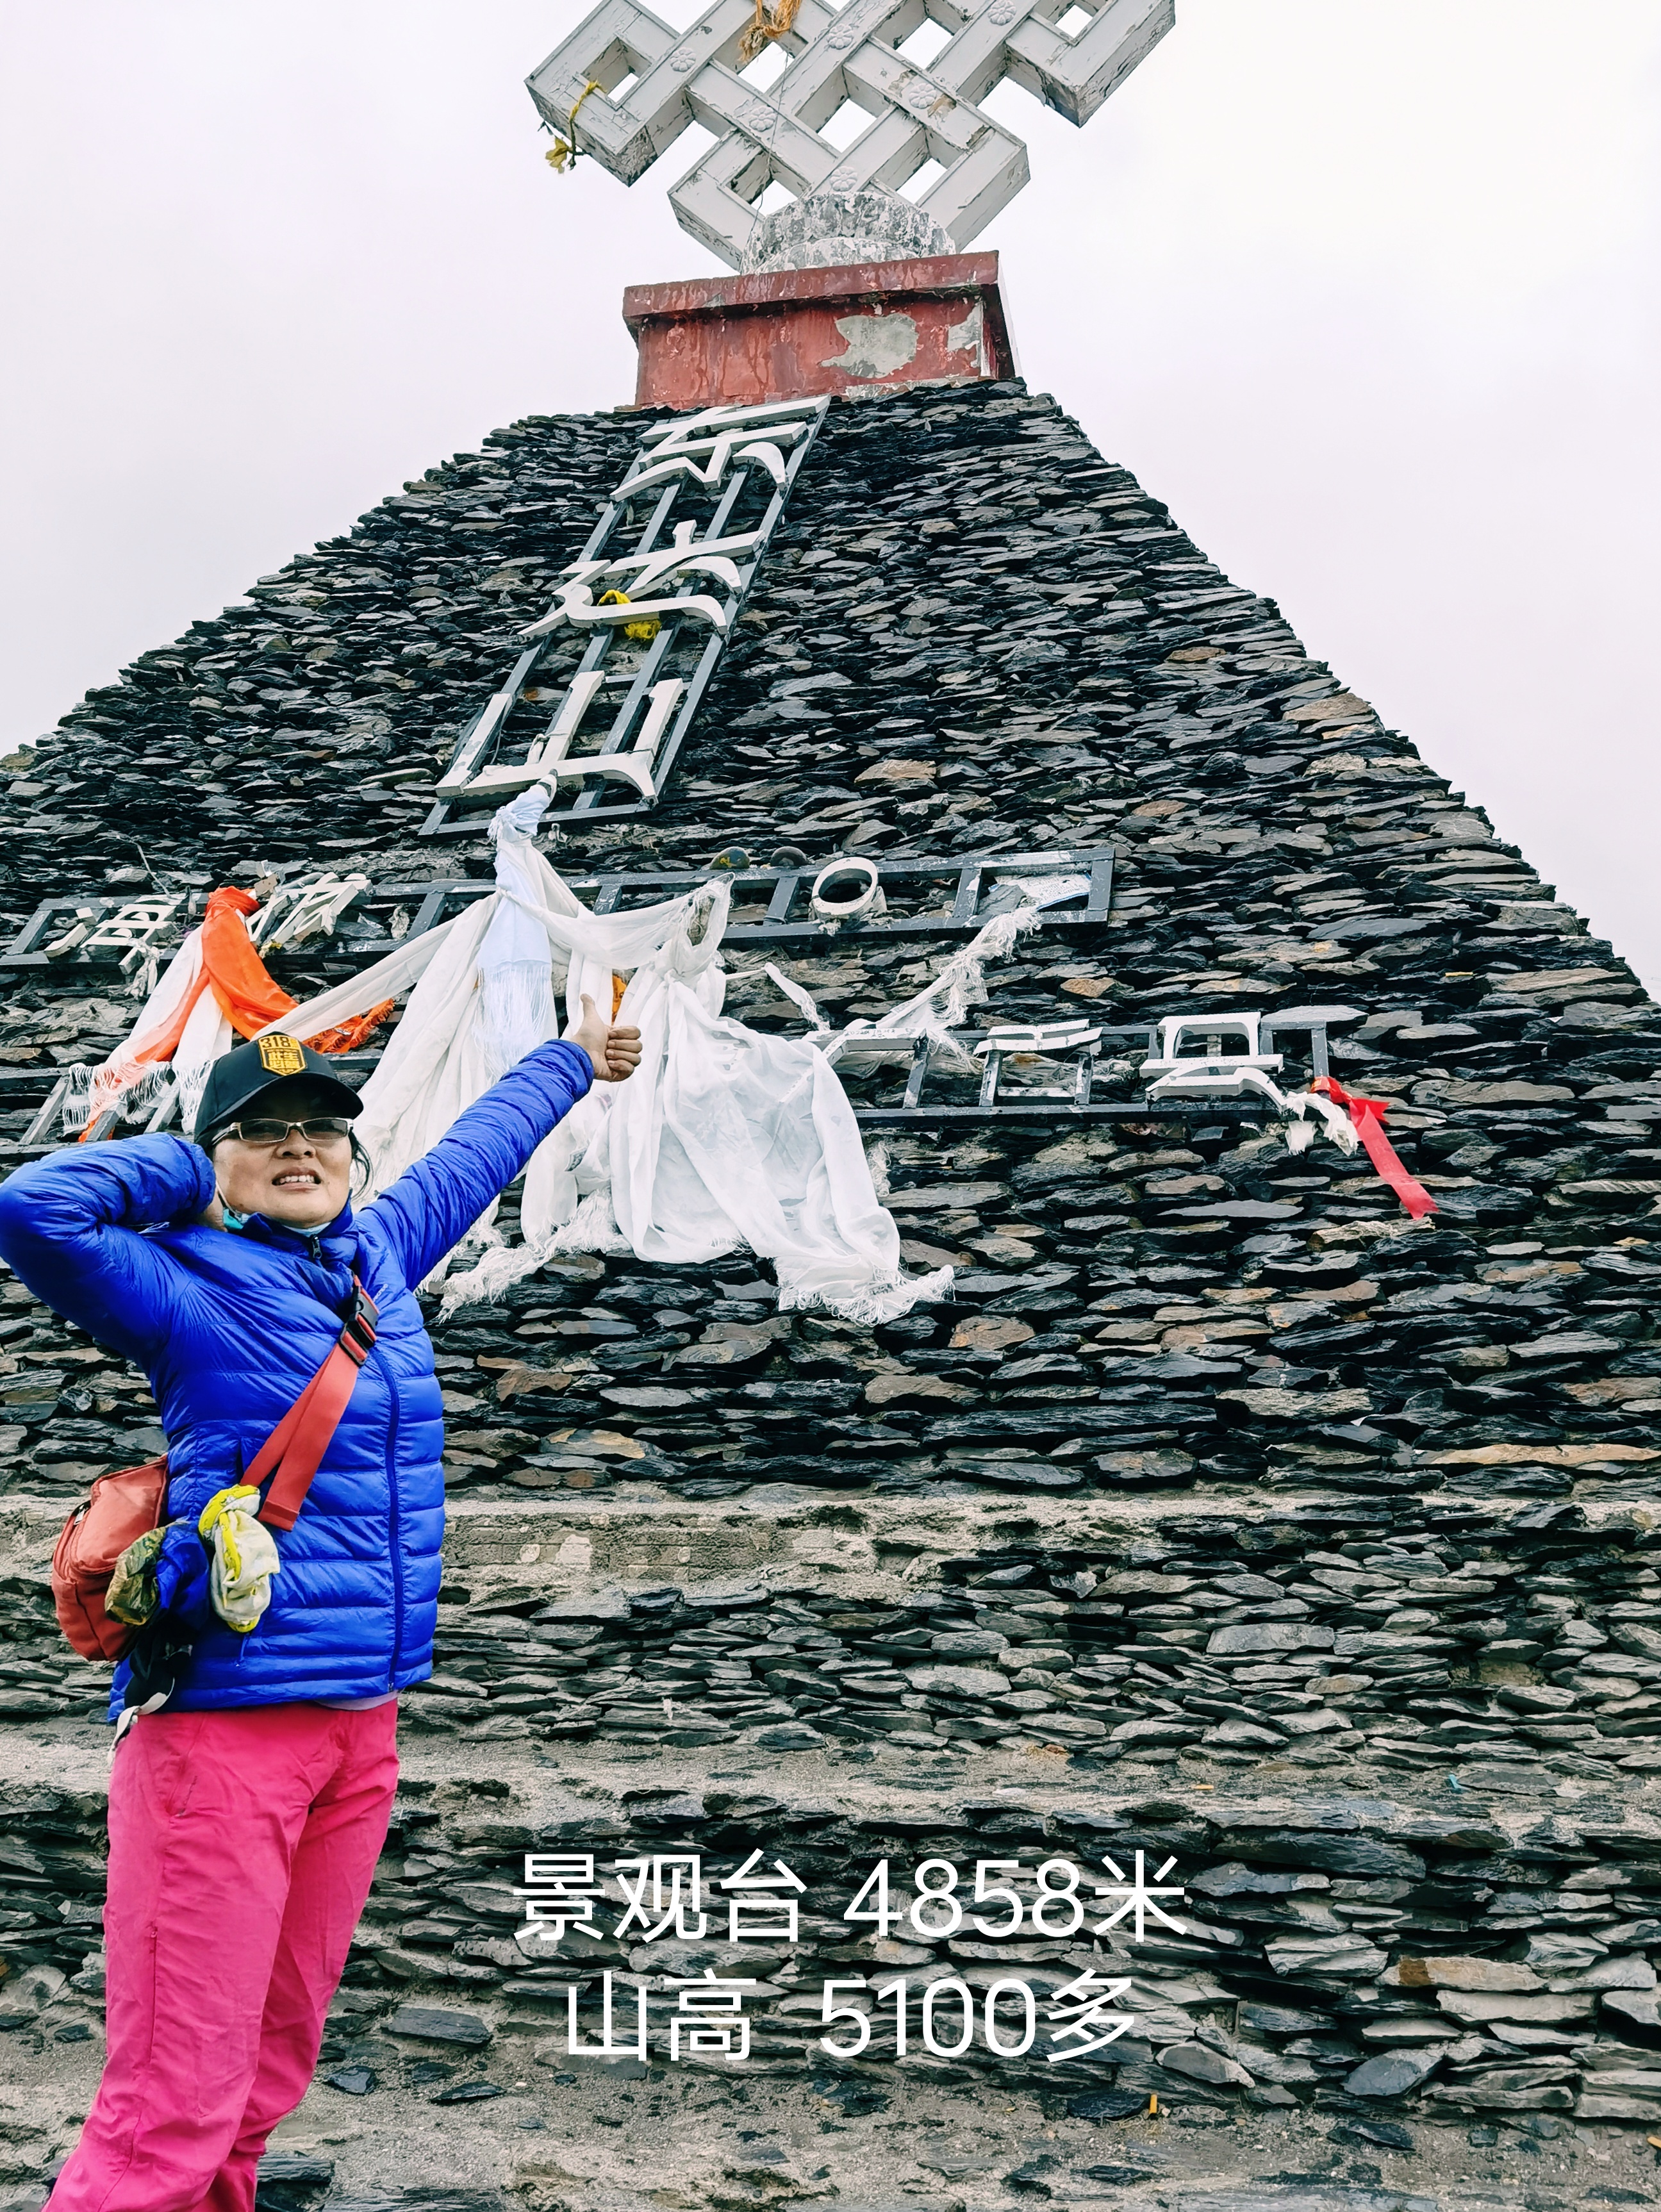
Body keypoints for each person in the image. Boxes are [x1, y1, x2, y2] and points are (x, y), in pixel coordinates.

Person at [0, 1000, 640, 2212]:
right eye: (263, 1130)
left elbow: (476, 1152)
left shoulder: (377, 1257)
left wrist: (571, 1061)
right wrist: (192, 1170)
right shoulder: (177, 1282)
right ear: (217, 1156)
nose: (300, 1147)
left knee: (270, 2061)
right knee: (175, 2092)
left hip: (360, 1721)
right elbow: (34, 1206)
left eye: (323, 1129)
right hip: (225, 1728)